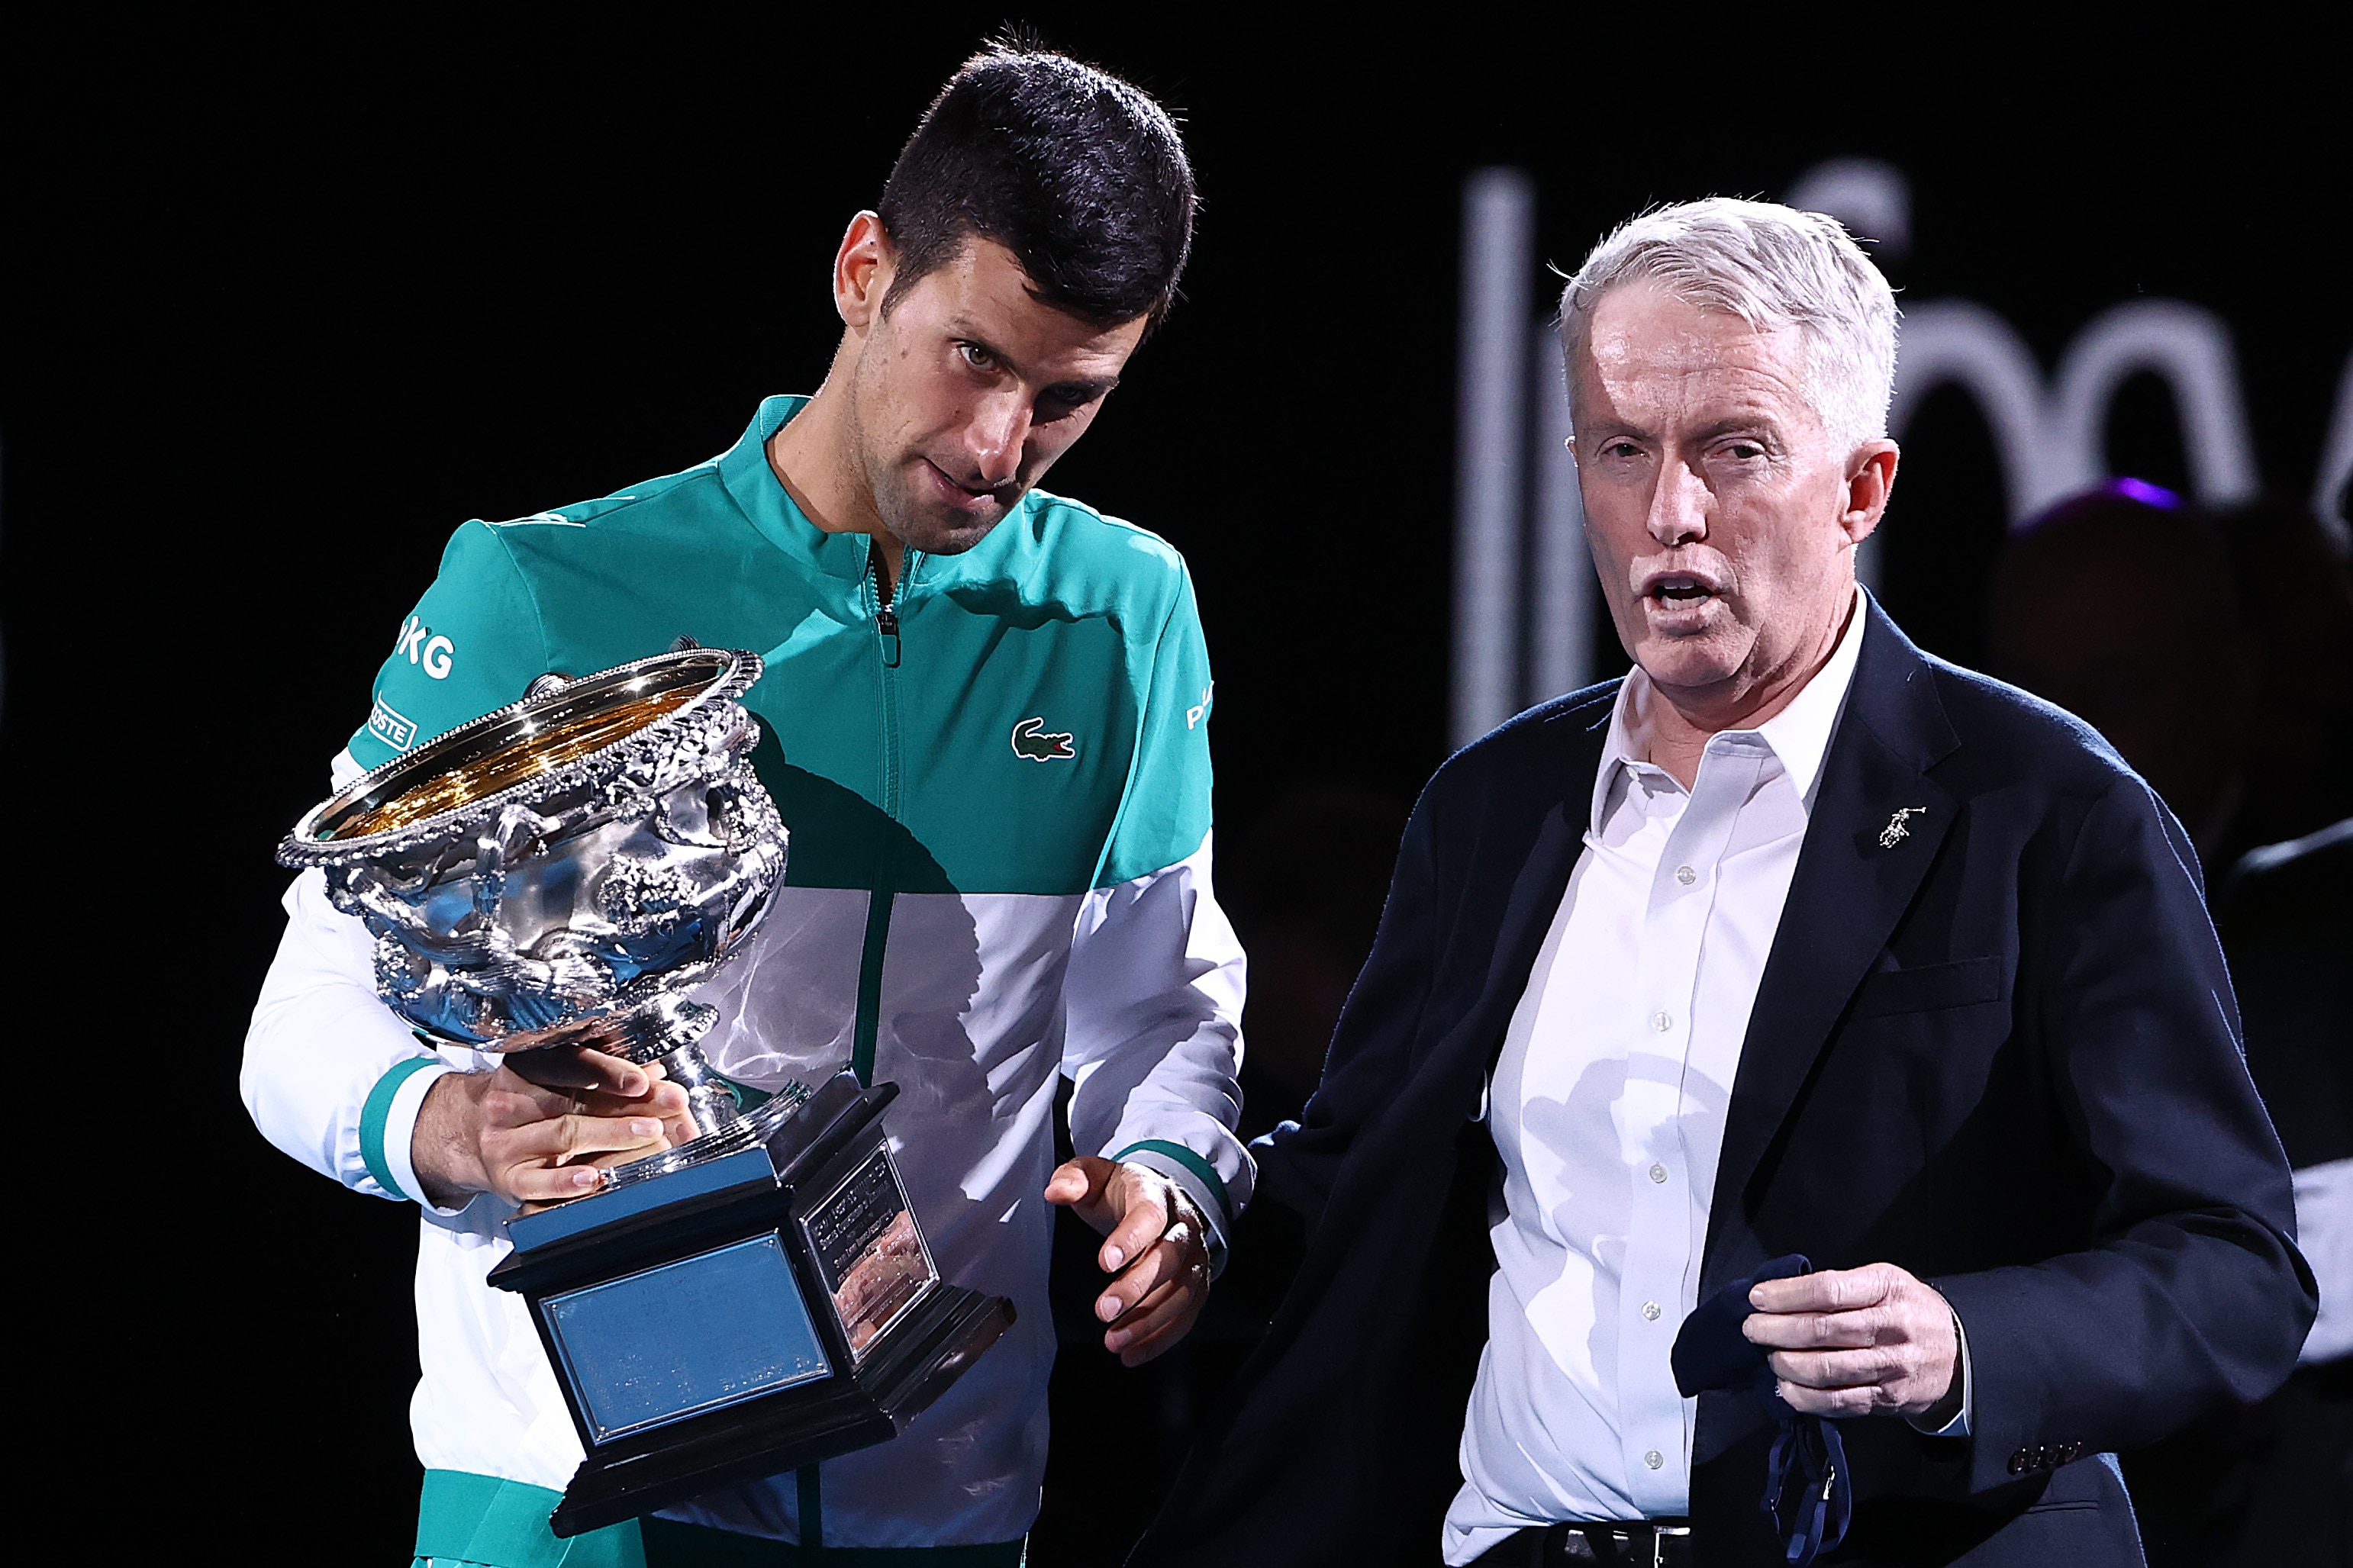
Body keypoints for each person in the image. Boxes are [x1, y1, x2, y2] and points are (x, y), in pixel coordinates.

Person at [1130, 199, 2312, 1567]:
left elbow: (2233, 1268)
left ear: (1862, 488)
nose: (1669, 514)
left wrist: (1962, 1345)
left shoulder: (2049, 808)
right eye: (1622, 451)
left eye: (1733, 452)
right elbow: (1362, 1190)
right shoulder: (1494, 807)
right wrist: (1182, 1207)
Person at [243, 41, 1251, 1568]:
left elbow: (1158, 1008)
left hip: (945, 1510)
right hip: (567, 1504)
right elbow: (306, 1006)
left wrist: (1174, 1180)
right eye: (975, 355)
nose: (1000, 448)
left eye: (1066, 398)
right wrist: (438, 1121)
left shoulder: (1130, 615)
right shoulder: (540, 590)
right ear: (865, 270)